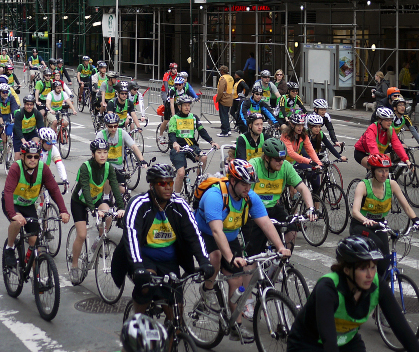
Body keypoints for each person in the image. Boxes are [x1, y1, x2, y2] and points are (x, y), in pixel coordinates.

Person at [196, 159, 290, 340]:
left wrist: (280, 247)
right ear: (233, 181)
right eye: (245, 184)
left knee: (237, 281)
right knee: (215, 258)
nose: (248, 188)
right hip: (205, 233)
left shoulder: (249, 197)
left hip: (229, 236)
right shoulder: (215, 196)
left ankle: (235, 325)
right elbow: (216, 231)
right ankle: (207, 290)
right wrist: (230, 258)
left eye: (250, 184)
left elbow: (265, 224)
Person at [287, 235, 419, 352]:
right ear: (347, 270)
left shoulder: (377, 285)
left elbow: (403, 331)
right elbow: (329, 341)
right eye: (363, 269)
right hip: (308, 343)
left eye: (373, 267)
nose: (370, 275)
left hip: (347, 342)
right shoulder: (328, 289)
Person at [111, 163, 213, 316]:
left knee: (175, 312)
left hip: (169, 260)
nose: (168, 187)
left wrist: (204, 261)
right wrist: (138, 266)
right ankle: (137, 322)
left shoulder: (179, 205)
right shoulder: (139, 204)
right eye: (163, 183)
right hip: (144, 257)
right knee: (146, 286)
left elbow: (194, 235)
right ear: (152, 185)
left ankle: (175, 333)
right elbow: (131, 235)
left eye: (170, 183)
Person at [349, 153, 419, 277]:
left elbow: (406, 207)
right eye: (380, 171)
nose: (384, 174)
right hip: (361, 225)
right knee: (377, 245)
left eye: (386, 170)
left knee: (385, 261)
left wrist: (417, 220)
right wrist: (365, 220)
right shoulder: (363, 185)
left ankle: (381, 287)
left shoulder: (392, 185)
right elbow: (355, 212)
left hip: (380, 225)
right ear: (373, 171)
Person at [1, 141, 70, 269]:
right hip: (12, 203)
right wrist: (13, 214)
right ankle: (9, 247)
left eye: (36, 157)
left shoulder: (43, 169)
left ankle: (36, 279)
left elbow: (54, 190)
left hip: (28, 206)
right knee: (16, 222)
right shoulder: (16, 168)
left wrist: (63, 210)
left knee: (34, 243)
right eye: (29, 156)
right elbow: (8, 192)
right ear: (22, 156)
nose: (33, 160)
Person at [244, 138, 316, 257]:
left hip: (273, 208)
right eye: (277, 159)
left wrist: (311, 208)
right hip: (254, 210)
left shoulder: (285, 166)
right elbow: (245, 193)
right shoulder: (254, 165)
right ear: (267, 158)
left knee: (292, 230)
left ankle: (282, 261)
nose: (281, 162)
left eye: (283, 159)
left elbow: (303, 188)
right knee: (255, 251)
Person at [68, 139, 125, 284]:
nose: (102, 155)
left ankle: (99, 240)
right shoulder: (85, 167)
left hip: (96, 199)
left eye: (105, 152)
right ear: (93, 154)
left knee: (108, 214)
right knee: (81, 235)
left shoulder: (108, 168)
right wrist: (93, 211)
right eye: (99, 152)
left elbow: (115, 186)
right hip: (80, 201)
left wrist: (121, 207)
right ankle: (74, 265)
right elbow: (86, 190)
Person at [168, 96, 218, 194]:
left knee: (203, 157)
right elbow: (171, 134)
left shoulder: (194, 117)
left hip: (191, 147)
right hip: (179, 148)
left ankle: (199, 181)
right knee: (181, 173)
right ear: (179, 107)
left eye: (188, 105)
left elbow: (202, 131)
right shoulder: (174, 118)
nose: (187, 107)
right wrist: (175, 143)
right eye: (185, 105)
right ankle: (177, 196)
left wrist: (212, 142)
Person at [12, 94, 45, 160]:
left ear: (33, 105)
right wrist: (23, 140)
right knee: (18, 157)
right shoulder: (19, 113)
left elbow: (41, 128)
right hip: (19, 134)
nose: (29, 106)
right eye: (27, 104)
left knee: (36, 148)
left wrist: (42, 140)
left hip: (31, 133)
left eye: (31, 104)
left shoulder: (37, 113)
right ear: (24, 104)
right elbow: (17, 128)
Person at [215, 65, 234, 137]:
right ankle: (228, 130)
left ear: (222, 71)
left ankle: (224, 131)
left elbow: (220, 91)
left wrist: (218, 99)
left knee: (223, 116)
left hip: (224, 99)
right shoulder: (230, 77)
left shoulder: (223, 78)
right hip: (230, 98)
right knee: (226, 115)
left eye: (220, 70)